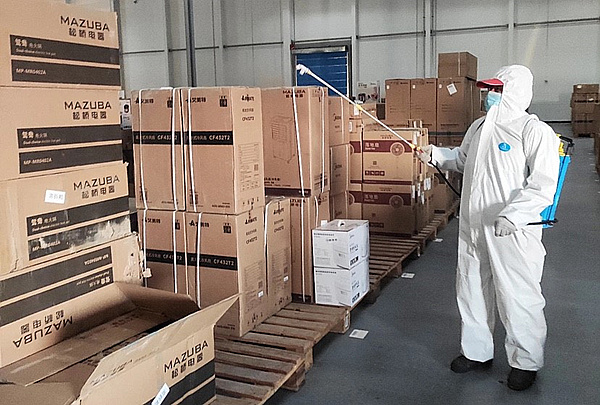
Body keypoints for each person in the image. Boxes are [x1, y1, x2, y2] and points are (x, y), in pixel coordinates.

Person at [418, 65, 559, 391]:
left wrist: (514, 216)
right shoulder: (479, 126)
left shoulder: (533, 130)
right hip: (473, 225)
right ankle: (476, 351)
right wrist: (436, 155)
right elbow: (462, 160)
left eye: (497, 89)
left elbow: (543, 185)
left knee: (518, 294)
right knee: (471, 286)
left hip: (513, 230)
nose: (490, 95)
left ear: (515, 91)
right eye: (489, 89)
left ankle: (525, 361)